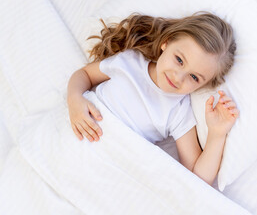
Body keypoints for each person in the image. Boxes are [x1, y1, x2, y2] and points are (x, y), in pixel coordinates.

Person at [66, 11, 239, 186]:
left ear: (202, 86)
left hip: (109, 161)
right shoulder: (129, 62)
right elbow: (85, 74)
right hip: (75, 133)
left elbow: (197, 178)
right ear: (166, 42)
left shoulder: (179, 110)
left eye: (194, 78)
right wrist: (75, 100)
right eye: (179, 60)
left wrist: (217, 135)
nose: (178, 77)